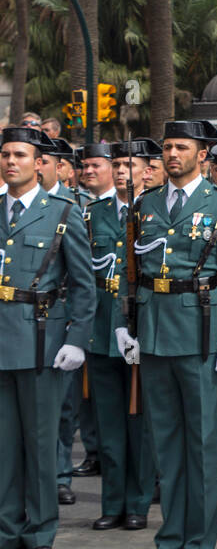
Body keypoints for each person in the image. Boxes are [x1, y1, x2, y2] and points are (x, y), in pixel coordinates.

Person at [116, 121, 217, 549]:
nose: (172, 154)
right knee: (166, 443)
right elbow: (129, 267)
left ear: (202, 154)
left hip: (201, 334)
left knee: (202, 443)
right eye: (168, 147)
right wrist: (124, 324)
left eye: (182, 147)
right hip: (155, 330)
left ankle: (198, 543)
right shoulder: (146, 203)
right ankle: (169, 539)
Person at [0, 126, 95, 549]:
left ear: (39, 163)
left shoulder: (62, 211)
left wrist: (77, 339)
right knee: (4, 446)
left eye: (19, 155)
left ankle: (39, 534)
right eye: (5, 155)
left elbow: (84, 284)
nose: (10, 162)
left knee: (40, 444)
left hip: (42, 340)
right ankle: (7, 533)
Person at [85, 140, 159, 532]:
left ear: (147, 172)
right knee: (109, 424)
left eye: (129, 165)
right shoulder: (93, 212)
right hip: (101, 330)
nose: (120, 171)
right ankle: (112, 503)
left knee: (140, 424)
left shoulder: (155, 210)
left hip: (140, 327)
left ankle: (138, 504)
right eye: (116, 165)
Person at [57, 142, 113, 499]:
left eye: (96, 165)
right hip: (62, 312)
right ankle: (70, 467)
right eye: (84, 166)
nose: (88, 171)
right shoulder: (77, 206)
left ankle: (99, 455)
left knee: (98, 397)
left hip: (104, 316)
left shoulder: (122, 209)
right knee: (70, 400)